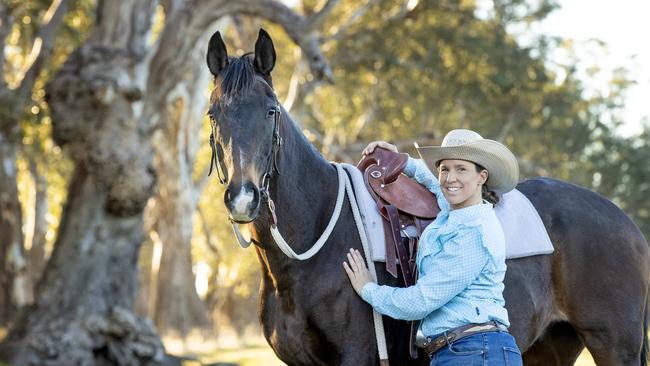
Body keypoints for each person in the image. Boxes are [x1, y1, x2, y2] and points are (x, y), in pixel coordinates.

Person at [343, 129, 523, 365]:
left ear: (482, 176)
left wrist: (368, 289)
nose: (450, 178)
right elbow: (435, 184)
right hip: (465, 351)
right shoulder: (455, 212)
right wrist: (401, 160)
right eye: (444, 169)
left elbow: (422, 300)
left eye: (461, 169)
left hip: (475, 352)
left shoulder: (473, 232)